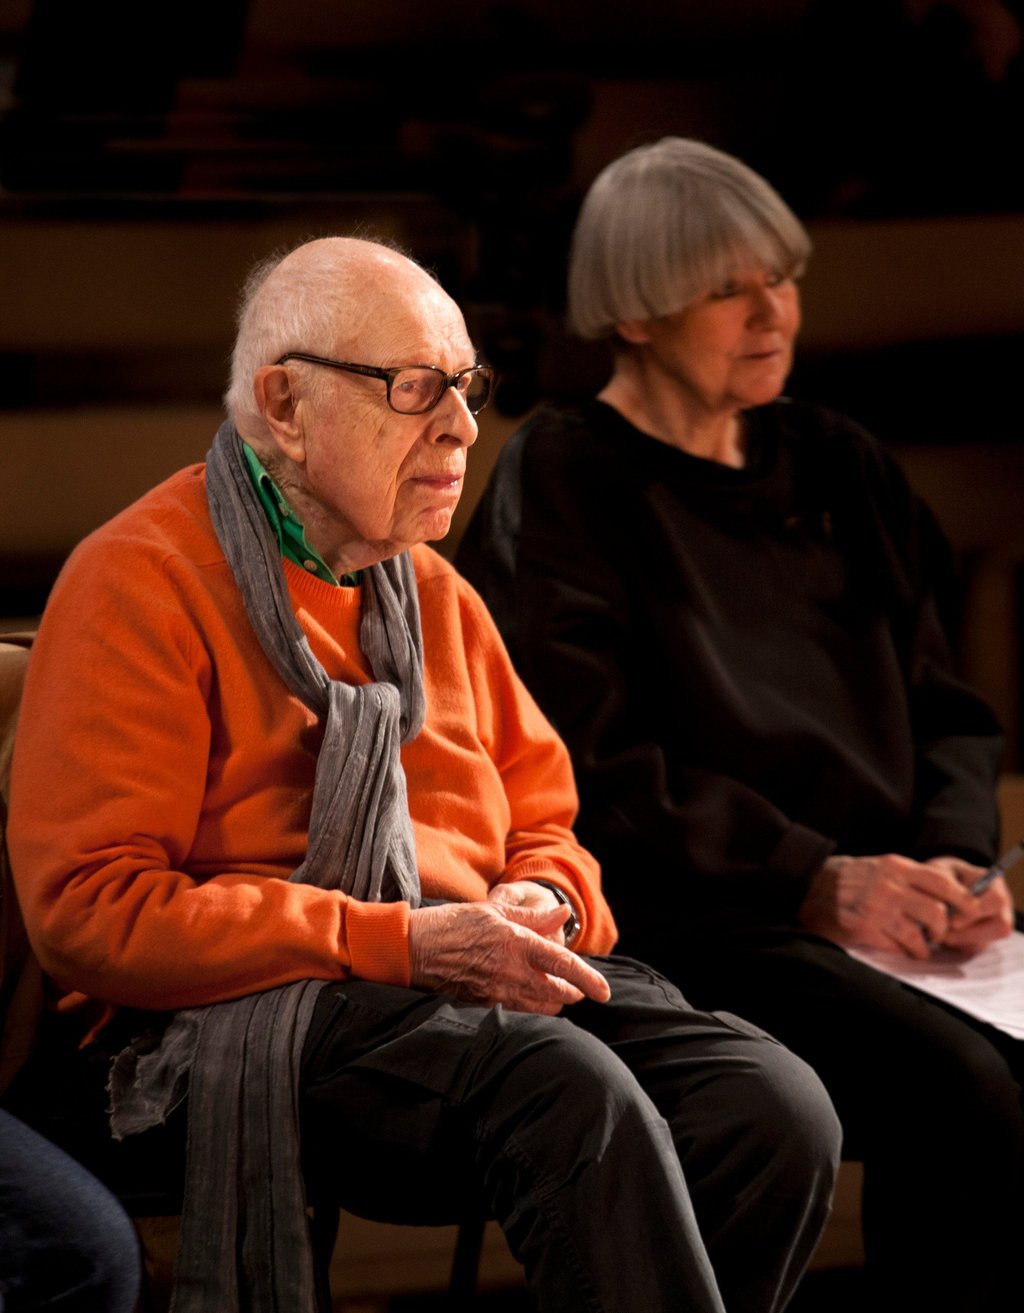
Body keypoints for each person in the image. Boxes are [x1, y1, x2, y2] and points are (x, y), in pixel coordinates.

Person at [5, 235, 839, 1313]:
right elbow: (93, 914)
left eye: (465, 386)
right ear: (286, 405)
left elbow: (547, 822)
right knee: (563, 1089)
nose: (458, 426)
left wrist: (543, 895)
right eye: (412, 389)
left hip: (454, 968)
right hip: (237, 1017)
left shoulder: (434, 591)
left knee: (769, 1102)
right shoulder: (141, 581)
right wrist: (400, 941)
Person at [455, 137, 1024, 1313]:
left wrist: (954, 859)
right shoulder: (562, 481)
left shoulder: (839, 460)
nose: (775, 311)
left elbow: (946, 703)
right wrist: (813, 876)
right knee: (958, 1084)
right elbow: (588, 767)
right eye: (729, 286)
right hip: (704, 915)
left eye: (783, 275)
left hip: (895, 911)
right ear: (638, 313)